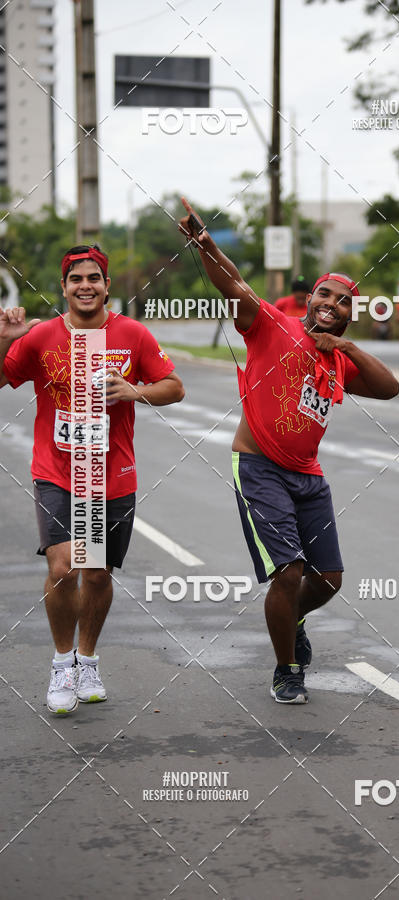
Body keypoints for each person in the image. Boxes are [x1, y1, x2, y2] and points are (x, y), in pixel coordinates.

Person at [179, 198, 399, 704]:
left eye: (343, 301)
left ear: (349, 315)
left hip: (308, 475)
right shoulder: (273, 326)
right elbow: (234, 284)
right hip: (258, 467)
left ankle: (294, 616)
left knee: (329, 579)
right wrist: (206, 243)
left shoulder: (339, 361)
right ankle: (287, 668)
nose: (332, 303)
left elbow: (388, 388)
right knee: (289, 571)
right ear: (310, 299)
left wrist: (344, 349)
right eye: (325, 293)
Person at [0, 244, 185, 714]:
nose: (86, 285)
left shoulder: (131, 334)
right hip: (57, 472)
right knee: (63, 569)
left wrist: (135, 390)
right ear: (63, 287)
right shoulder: (41, 336)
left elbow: (174, 386)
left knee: (97, 573)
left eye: (94, 278)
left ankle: (88, 659)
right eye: (76, 278)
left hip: (110, 475)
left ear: (106, 285)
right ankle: (63, 664)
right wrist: (4, 339)